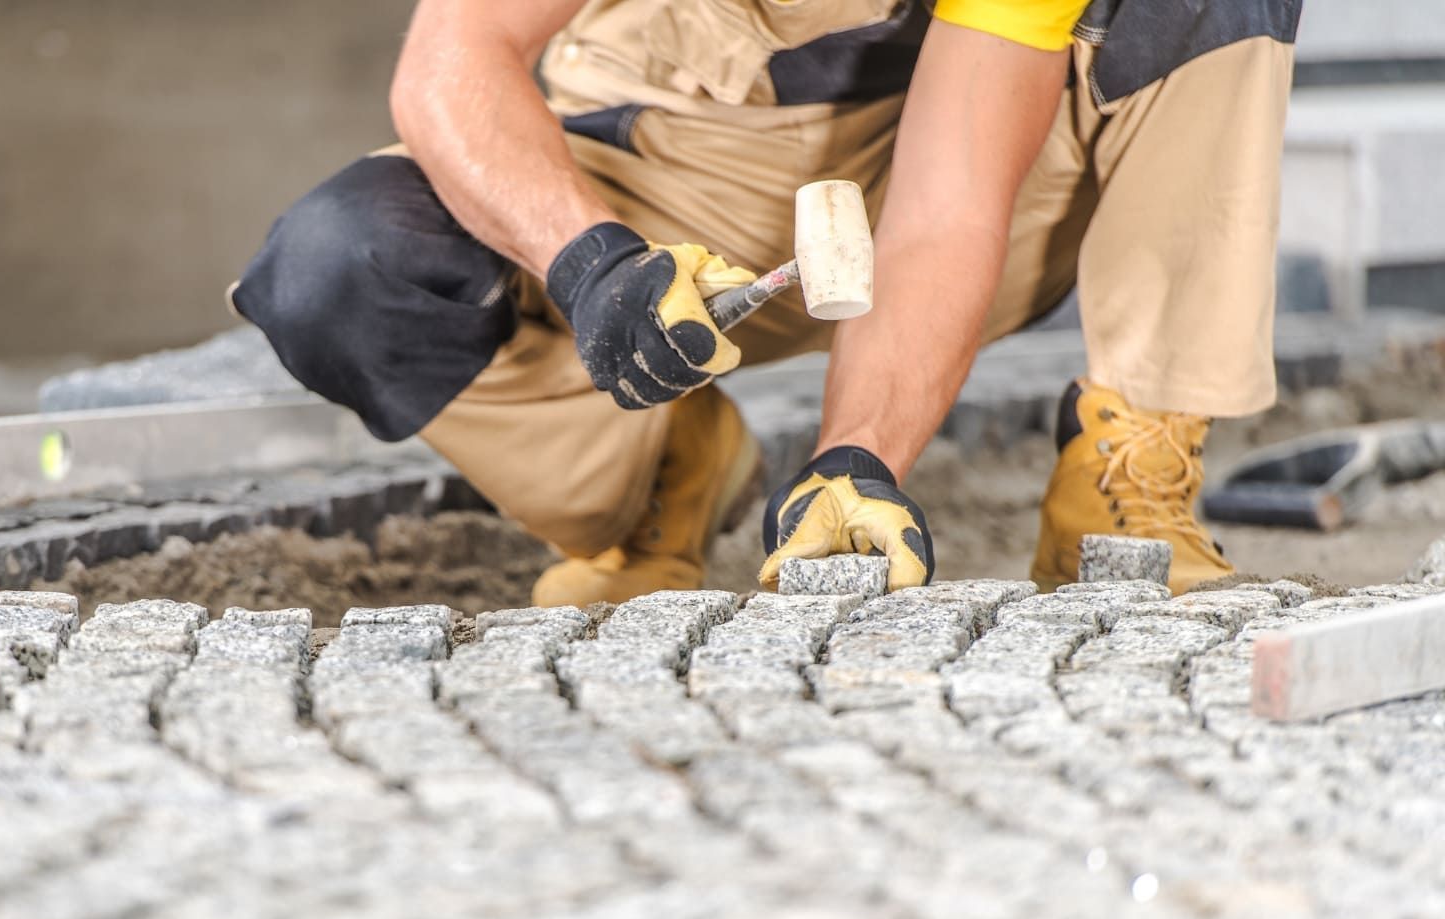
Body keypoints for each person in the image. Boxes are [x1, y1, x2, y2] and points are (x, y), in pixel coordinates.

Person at [232, 0, 1302, 601]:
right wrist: (593, 265)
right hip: (664, 168)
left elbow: (943, 211)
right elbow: (449, 63)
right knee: (342, 264)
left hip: (950, 180)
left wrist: (856, 462)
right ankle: (657, 480)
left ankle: (1119, 491)